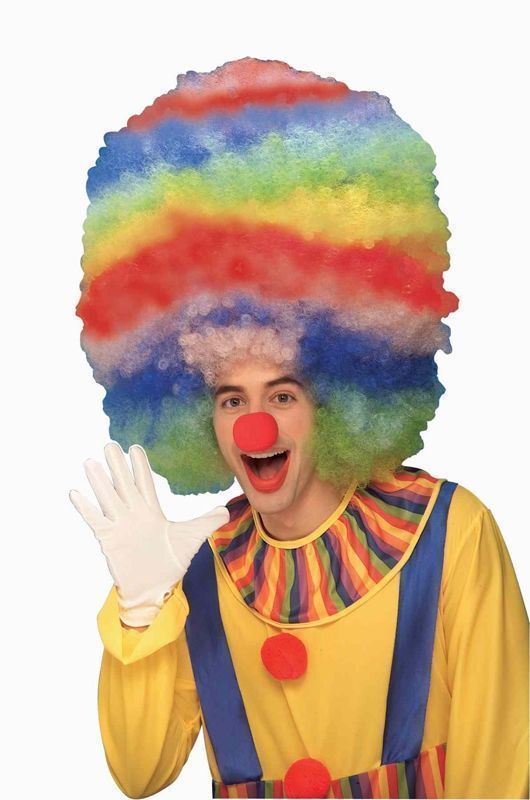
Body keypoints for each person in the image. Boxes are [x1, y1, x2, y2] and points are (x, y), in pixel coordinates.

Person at [70, 57, 529, 798]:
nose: (255, 427)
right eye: (230, 400)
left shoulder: (449, 535)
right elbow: (139, 771)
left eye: (282, 395)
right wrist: (142, 603)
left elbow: (501, 769)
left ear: (341, 396)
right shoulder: (199, 565)